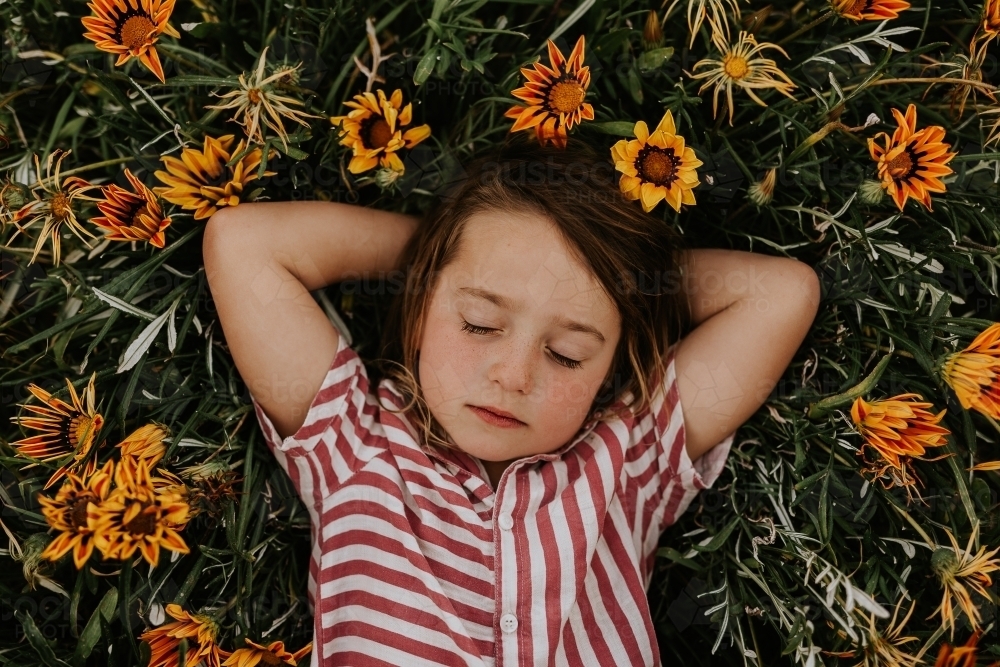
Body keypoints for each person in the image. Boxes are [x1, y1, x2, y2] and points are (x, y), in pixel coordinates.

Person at [203, 138, 821, 666]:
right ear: (419, 307)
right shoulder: (354, 444)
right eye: (478, 321)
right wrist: (435, 252)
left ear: (610, 365)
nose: (514, 374)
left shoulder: (627, 462)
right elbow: (243, 243)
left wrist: (632, 277)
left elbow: (780, 294)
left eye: (568, 353)